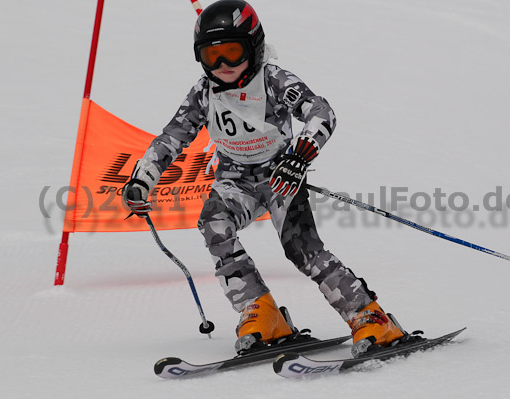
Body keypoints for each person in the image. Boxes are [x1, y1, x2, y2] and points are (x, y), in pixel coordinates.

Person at [122, 0, 405, 357]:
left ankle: (370, 316)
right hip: (234, 180)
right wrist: (141, 181)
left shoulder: (272, 80)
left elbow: (321, 112)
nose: (223, 65)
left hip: (279, 176)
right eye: (212, 56)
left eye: (232, 52)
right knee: (213, 223)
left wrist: (300, 156)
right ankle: (262, 312)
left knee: (301, 249)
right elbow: (172, 138)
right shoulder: (202, 94)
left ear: (254, 46)